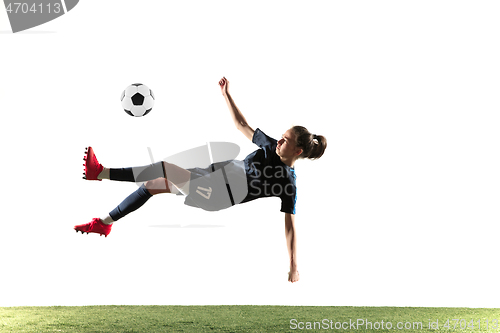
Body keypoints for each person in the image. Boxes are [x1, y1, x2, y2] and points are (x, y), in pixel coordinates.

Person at [75, 77, 327, 283]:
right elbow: (242, 125)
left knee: (164, 168)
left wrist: (293, 265)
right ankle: (105, 223)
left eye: (285, 140)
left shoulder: (287, 183)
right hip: (210, 174)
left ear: (298, 152)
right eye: (281, 135)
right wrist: (226, 94)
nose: (279, 140)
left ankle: (101, 172)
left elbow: (290, 226)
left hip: (217, 193)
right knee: (151, 186)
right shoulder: (271, 146)